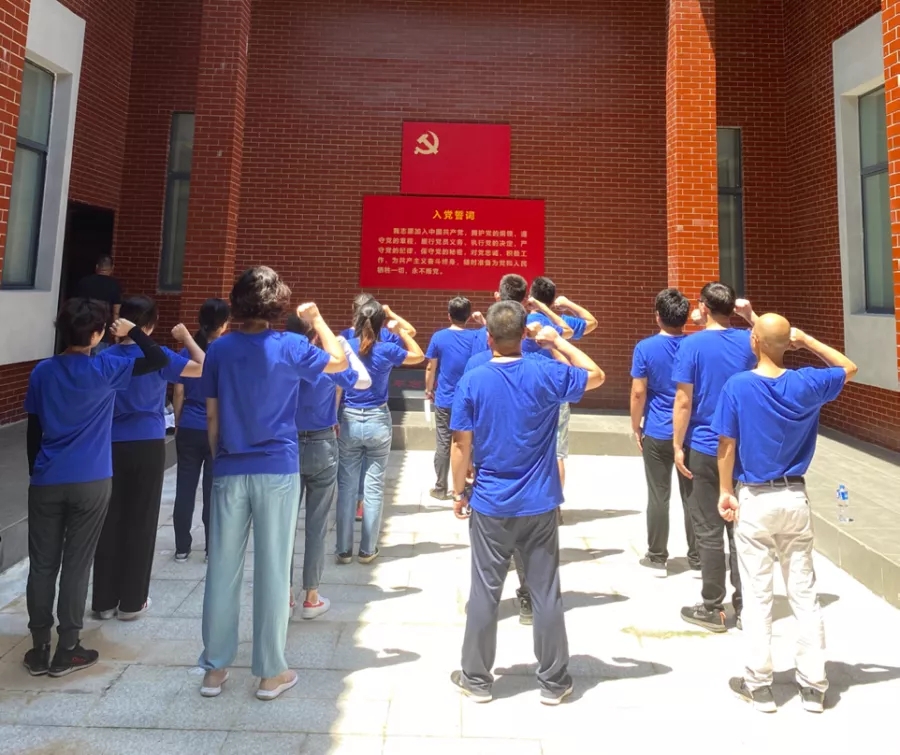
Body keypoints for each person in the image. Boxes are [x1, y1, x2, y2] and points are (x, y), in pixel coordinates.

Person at [198, 266, 347, 701]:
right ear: (277, 303)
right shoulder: (292, 345)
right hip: (278, 467)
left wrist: (220, 457)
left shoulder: (220, 349)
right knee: (274, 569)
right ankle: (269, 673)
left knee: (222, 569)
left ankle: (215, 669)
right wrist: (317, 319)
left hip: (230, 466)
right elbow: (339, 361)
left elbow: (212, 415)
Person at [448, 302, 606, 705]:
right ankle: (553, 681)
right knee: (545, 591)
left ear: (488, 338)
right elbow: (596, 375)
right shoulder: (545, 371)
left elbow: (460, 445)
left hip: (491, 501)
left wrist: (458, 491)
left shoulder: (474, 379)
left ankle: (477, 679)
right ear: (524, 334)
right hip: (539, 501)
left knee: (485, 590)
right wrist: (557, 342)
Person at [714, 314, 857, 714]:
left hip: (755, 497)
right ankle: (813, 684)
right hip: (794, 496)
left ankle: (759, 683)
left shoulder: (738, 386)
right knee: (804, 594)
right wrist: (807, 339)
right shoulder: (807, 383)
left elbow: (726, 444)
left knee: (758, 596)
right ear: (787, 343)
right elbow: (848, 367)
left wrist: (724, 490)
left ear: (754, 341)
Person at [22, 299, 168, 677]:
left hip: (46, 479)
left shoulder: (42, 371)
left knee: (42, 564)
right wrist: (132, 331)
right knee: (76, 563)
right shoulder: (105, 368)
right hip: (91, 479)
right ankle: (68, 646)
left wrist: (36, 471)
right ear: (98, 334)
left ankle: (39, 647)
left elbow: (33, 431)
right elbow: (156, 359)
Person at [92, 296, 205, 621]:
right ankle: (132, 602)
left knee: (109, 520)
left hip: (110, 444)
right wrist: (187, 339)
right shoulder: (159, 355)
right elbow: (204, 367)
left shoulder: (104, 357)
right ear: (150, 326)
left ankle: (103, 601)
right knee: (141, 520)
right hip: (148, 443)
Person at [672, 283, 758, 633]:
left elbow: (683, 401)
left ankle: (712, 606)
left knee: (709, 529)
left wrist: (677, 445)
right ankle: (746, 604)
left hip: (705, 446)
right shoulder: (748, 340)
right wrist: (750, 316)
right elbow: (775, 337)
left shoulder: (691, 345)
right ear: (732, 308)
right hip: (743, 448)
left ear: (703, 307)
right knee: (740, 529)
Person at [285, 313, 371, 619]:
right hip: (322, 443)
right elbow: (363, 380)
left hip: (287, 445)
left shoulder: (282, 363)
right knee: (316, 526)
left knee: (283, 526)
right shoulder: (325, 365)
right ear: (314, 337)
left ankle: (284, 595)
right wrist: (343, 348)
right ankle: (311, 596)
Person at [335, 300, 424, 565]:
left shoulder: (346, 346)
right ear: (380, 324)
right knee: (373, 487)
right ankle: (367, 549)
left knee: (346, 486)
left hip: (350, 417)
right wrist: (402, 332)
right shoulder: (386, 349)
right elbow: (418, 355)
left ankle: (343, 550)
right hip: (378, 419)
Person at [630, 288, 699, 575]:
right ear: (685, 317)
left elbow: (638, 392)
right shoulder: (695, 346)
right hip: (690, 431)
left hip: (657, 430)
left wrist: (636, 425)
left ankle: (657, 555)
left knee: (659, 495)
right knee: (692, 496)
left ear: (657, 316)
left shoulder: (645, 348)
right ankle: (697, 556)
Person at [525, 277, 597, 519]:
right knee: (557, 452)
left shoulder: (527, 321)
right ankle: (554, 506)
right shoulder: (558, 321)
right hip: (558, 388)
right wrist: (567, 304)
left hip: (532, 389)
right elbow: (591, 322)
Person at [172, 298, 231, 562]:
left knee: (184, 488)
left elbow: (178, 391)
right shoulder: (224, 353)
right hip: (215, 428)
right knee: (212, 491)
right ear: (224, 324)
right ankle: (210, 548)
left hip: (188, 426)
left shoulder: (185, 352)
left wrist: (178, 421)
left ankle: (181, 547)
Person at [341, 293, 408, 522]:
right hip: (377, 413)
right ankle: (363, 508)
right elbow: (413, 345)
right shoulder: (385, 342)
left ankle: (349, 512)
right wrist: (396, 323)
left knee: (348, 469)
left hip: (349, 409)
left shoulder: (344, 340)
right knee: (373, 474)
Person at [424, 296, 478, 501]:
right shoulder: (475, 337)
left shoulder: (439, 337)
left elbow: (431, 367)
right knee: (467, 442)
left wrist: (429, 389)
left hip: (445, 399)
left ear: (449, 315)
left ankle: (440, 487)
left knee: (443, 443)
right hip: (468, 399)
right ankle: (466, 484)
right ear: (468, 316)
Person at [74, 256, 123, 355]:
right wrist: (116, 334)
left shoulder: (84, 282)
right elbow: (116, 312)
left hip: (83, 326)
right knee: (98, 359)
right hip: (102, 330)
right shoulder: (114, 285)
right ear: (112, 268)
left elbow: (76, 305)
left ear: (97, 267)